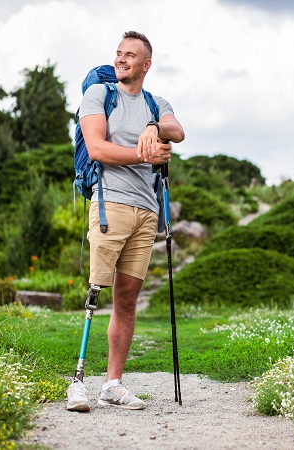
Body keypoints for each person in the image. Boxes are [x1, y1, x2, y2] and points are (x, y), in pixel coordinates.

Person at [66, 31, 185, 412]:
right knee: (94, 293)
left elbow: (178, 132)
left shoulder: (155, 101)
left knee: (128, 300)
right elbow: (97, 147)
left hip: (146, 210)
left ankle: (112, 384)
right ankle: (78, 383)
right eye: (119, 54)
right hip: (109, 203)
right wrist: (144, 154)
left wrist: (154, 127)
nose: (121, 60)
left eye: (130, 55)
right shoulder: (99, 96)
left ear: (145, 64)